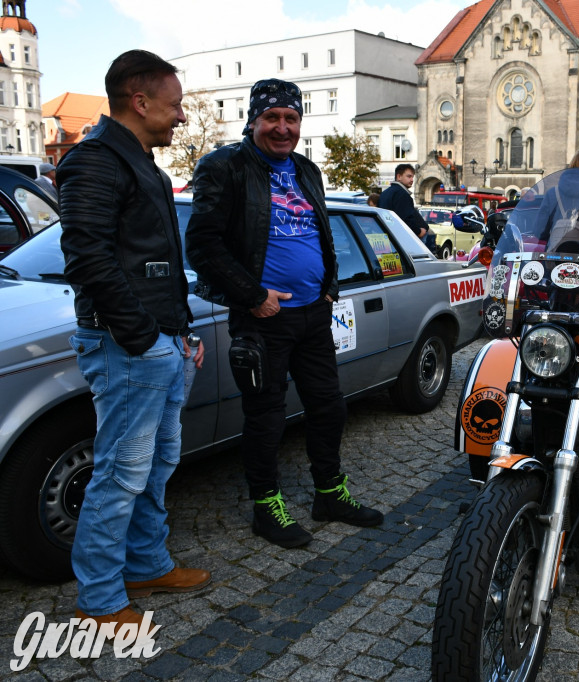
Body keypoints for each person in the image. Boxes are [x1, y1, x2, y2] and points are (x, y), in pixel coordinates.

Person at [186, 78, 383, 548]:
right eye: (271, 118)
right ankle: (266, 507)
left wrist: (329, 286)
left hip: (314, 313)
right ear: (253, 120)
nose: (282, 127)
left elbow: (321, 233)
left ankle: (330, 494)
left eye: (290, 118)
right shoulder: (224, 167)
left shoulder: (306, 170)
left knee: (328, 406)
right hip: (263, 318)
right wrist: (253, 295)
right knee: (266, 416)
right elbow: (203, 243)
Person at [59, 49, 210, 634]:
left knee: (157, 463)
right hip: (127, 347)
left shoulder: (140, 160)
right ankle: (98, 599)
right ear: (139, 100)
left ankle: (146, 564)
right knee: (121, 472)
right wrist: (146, 337)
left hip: (160, 342)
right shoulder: (95, 161)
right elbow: (88, 259)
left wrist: (178, 331)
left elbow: (154, 261)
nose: (180, 118)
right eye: (174, 106)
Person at [379, 163, 435, 251]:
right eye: (409, 176)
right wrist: (419, 231)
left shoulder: (385, 193)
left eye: (413, 177)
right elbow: (406, 219)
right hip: (403, 241)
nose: (412, 180)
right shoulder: (402, 194)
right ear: (399, 176)